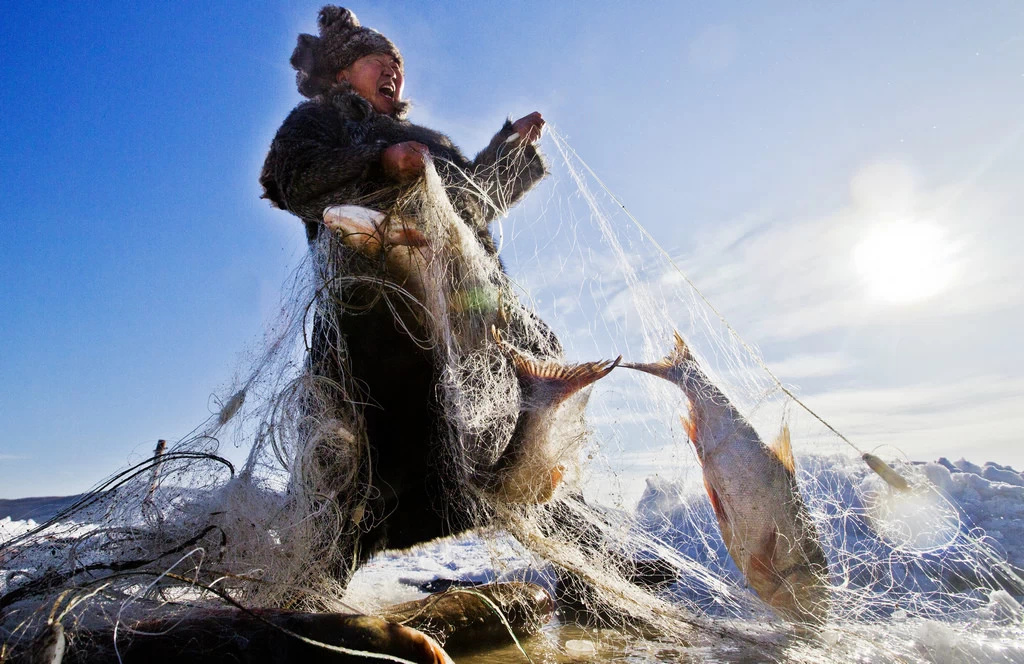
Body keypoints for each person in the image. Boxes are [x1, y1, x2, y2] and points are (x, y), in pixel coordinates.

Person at [259, 6, 550, 586]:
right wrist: (380, 162)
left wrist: (510, 149)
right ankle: (306, 600)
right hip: (371, 323)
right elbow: (295, 180)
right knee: (356, 471)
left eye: (397, 63)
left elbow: (473, 203)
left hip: (464, 310)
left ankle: (589, 569)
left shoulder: (429, 142)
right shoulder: (318, 122)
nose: (392, 70)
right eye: (377, 61)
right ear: (343, 73)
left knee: (530, 411)